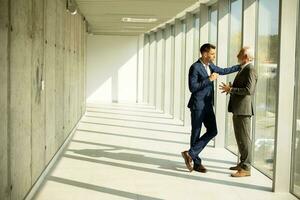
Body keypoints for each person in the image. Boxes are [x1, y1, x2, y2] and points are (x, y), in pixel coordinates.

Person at [181, 43, 241, 173]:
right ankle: (196, 163)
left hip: (208, 106)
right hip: (197, 105)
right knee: (196, 133)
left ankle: (190, 153)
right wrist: (209, 79)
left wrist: (240, 66)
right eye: (212, 54)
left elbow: (224, 70)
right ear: (204, 54)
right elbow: (192, 88)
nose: (214, 56)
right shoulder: (195, 67)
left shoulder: (211, 66)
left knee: (213, 131)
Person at [219, 47, 258, 177]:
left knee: (245, 139)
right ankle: (242, 164)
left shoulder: (250, 69)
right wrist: (232, 89)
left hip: (243, 109)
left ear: (246, 56)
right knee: (240, 138)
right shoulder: (244, 68)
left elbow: (249, 90)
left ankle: (246, 168)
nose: (237, 55)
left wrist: (231, 89)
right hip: (239, 108)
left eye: (240, 53)